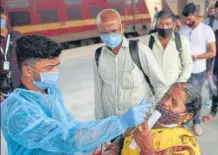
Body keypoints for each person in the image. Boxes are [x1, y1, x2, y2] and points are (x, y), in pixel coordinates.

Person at [1, 35, 152, 155]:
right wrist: (119, 122)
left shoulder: (50, 92)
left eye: (57, 65)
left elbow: (70, 125)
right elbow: (65, 137)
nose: (55, 72)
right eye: (49, 67)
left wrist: (98, 144)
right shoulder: (18, 110)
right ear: (28, 71)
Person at [93, 9, 168, 121]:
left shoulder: (139, 51)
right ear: (98, 31)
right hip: (113, 124)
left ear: (122, 27)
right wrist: (100, 124)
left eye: (114, 31)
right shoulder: (98, 55)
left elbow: (161, 86)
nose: (110, 36)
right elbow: (98, 92)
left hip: (139, 124)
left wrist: (156, 117)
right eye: (104, 33)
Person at [104, 83, 202, 155]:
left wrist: (147, 149)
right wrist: (115, 147)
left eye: (174, 103)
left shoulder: (186, 145)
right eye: (166, 95)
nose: (165, 102)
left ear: (187, 116)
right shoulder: (144, 119)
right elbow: (124, 137)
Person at [179, 3, 216, 136]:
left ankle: (196, 122)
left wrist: (196, 57)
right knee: (183, 97)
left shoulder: (206, 30)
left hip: (197, 71)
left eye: (189, 19)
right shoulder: (182, 29)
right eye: (185, 19)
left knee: (195, 97)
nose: (186, 21)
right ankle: (185, 119)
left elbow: (212, 52)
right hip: (183, 71)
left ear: (196, 15)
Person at [148, 9, 192, 87]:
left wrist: (178, 84)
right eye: (161, 24)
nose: (164, 27)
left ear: (174, 25)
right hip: (155, 90)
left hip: (175, 90)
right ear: (156, 24)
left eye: (168, 24)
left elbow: (188, 65)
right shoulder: (149, 41)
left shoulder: (181, 41)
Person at [0, 5, 21, 102]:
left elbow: (25, 59)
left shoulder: (17, 36)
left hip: (20, 83)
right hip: (2, 89)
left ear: (5, 17)